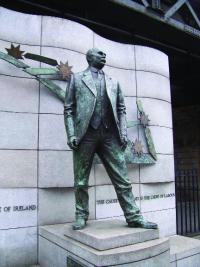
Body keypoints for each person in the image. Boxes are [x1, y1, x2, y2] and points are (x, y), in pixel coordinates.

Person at [64, 48, 158, 230]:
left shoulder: (113, 82)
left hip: (110, 136)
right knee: (81, 180)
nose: (104, 56)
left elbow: (121, 109)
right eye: (100, 54)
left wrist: (123, 133)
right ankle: (81, 215)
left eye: (104, 54)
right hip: (86, 135)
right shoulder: (76, 79)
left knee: (123, 179)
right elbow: (69, 109)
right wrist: (71, 134)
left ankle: (134, 217)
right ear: (89, 57)